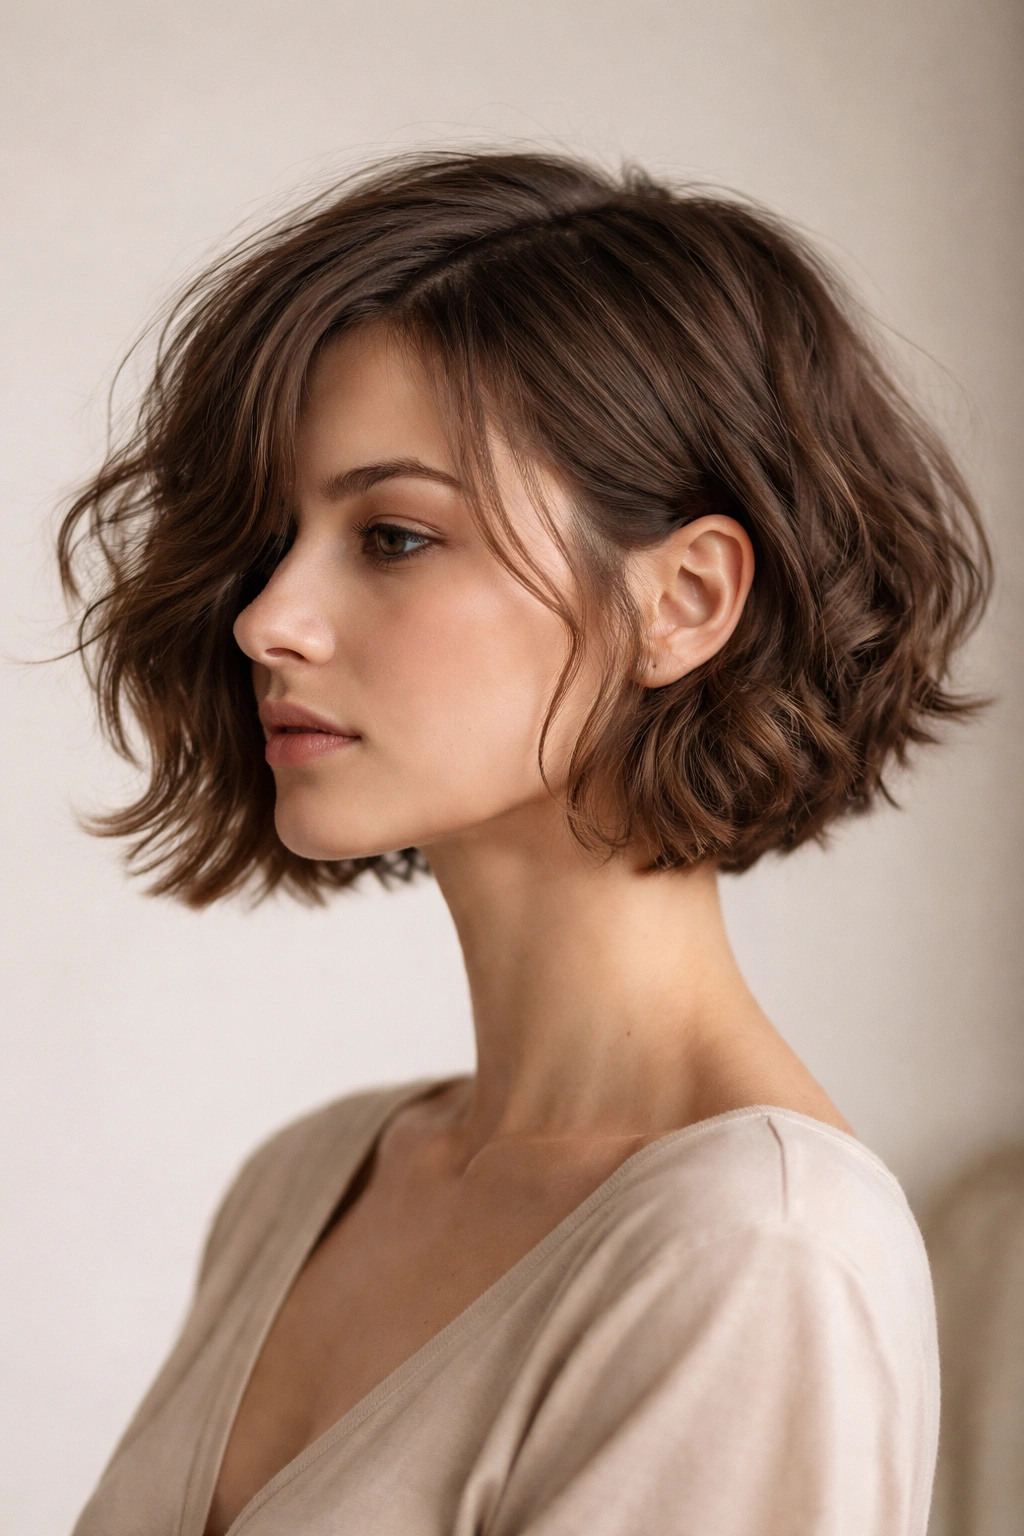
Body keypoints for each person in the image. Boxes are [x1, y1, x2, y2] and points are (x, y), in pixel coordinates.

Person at [59, 151, 990, 1536]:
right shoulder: (307, 1182)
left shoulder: (760, 1250)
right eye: (274, 538)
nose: (267, 620)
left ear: (684, 598)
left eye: (391, 536)